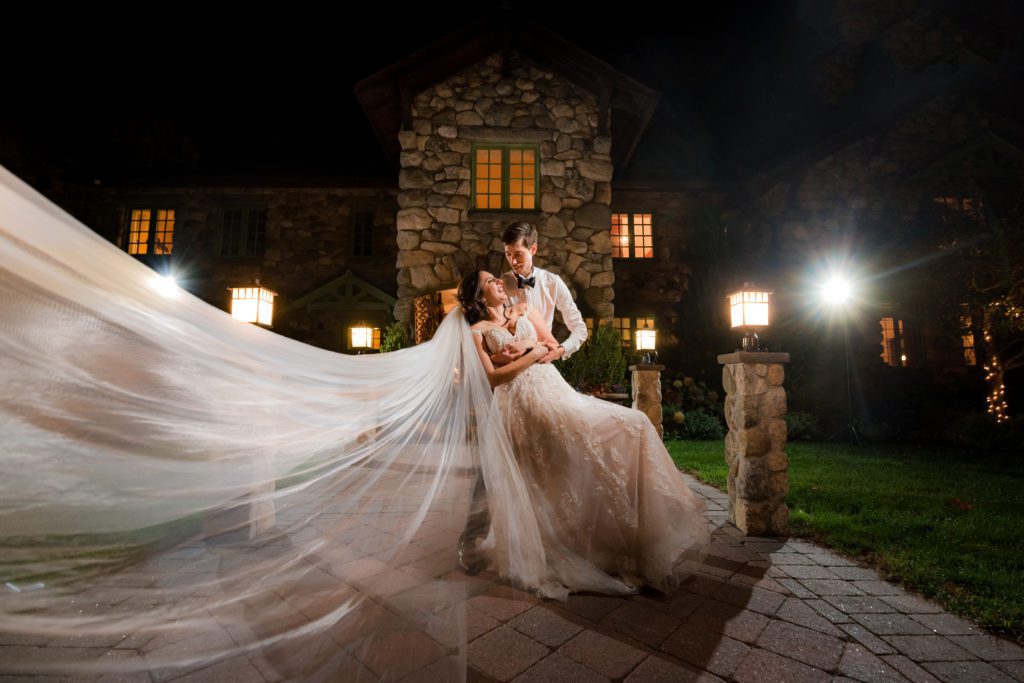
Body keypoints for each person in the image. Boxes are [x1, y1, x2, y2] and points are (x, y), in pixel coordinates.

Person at [457, 269, 711, 599]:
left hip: (554, 389)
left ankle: (630, 535)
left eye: (496, 279)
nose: (499, 283)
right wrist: (525, 355)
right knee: (551, 470)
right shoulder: (477, 332)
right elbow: (492, 379)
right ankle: (569, 543)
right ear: (480, 296)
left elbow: (550, 345)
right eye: (490, 282)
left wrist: (531, 347)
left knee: (632, 425)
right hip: (518, 402)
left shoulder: (524, 309)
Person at [494, 222, 588, 366]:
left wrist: (561, 350)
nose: (512, 261)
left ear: (533, 249)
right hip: (512, 365)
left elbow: (579, 328)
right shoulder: (500, 287)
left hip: (544, 363)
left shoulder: (553, 282)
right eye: (508, 254)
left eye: (518, 254)